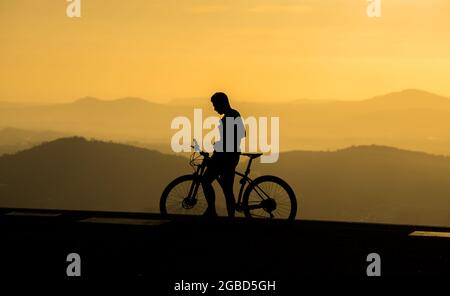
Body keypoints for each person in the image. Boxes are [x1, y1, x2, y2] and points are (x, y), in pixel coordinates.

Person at [202, 92, 245, 219]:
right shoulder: (232, 115)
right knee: (226, 189)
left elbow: (239, 135)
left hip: (226, 157)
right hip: (227, 156)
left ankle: (213, 211)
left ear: (222, 103)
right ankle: (227, 216)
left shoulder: (231, 116)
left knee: (207, 181)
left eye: (215, 105)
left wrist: (220, 145)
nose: (214, 108)